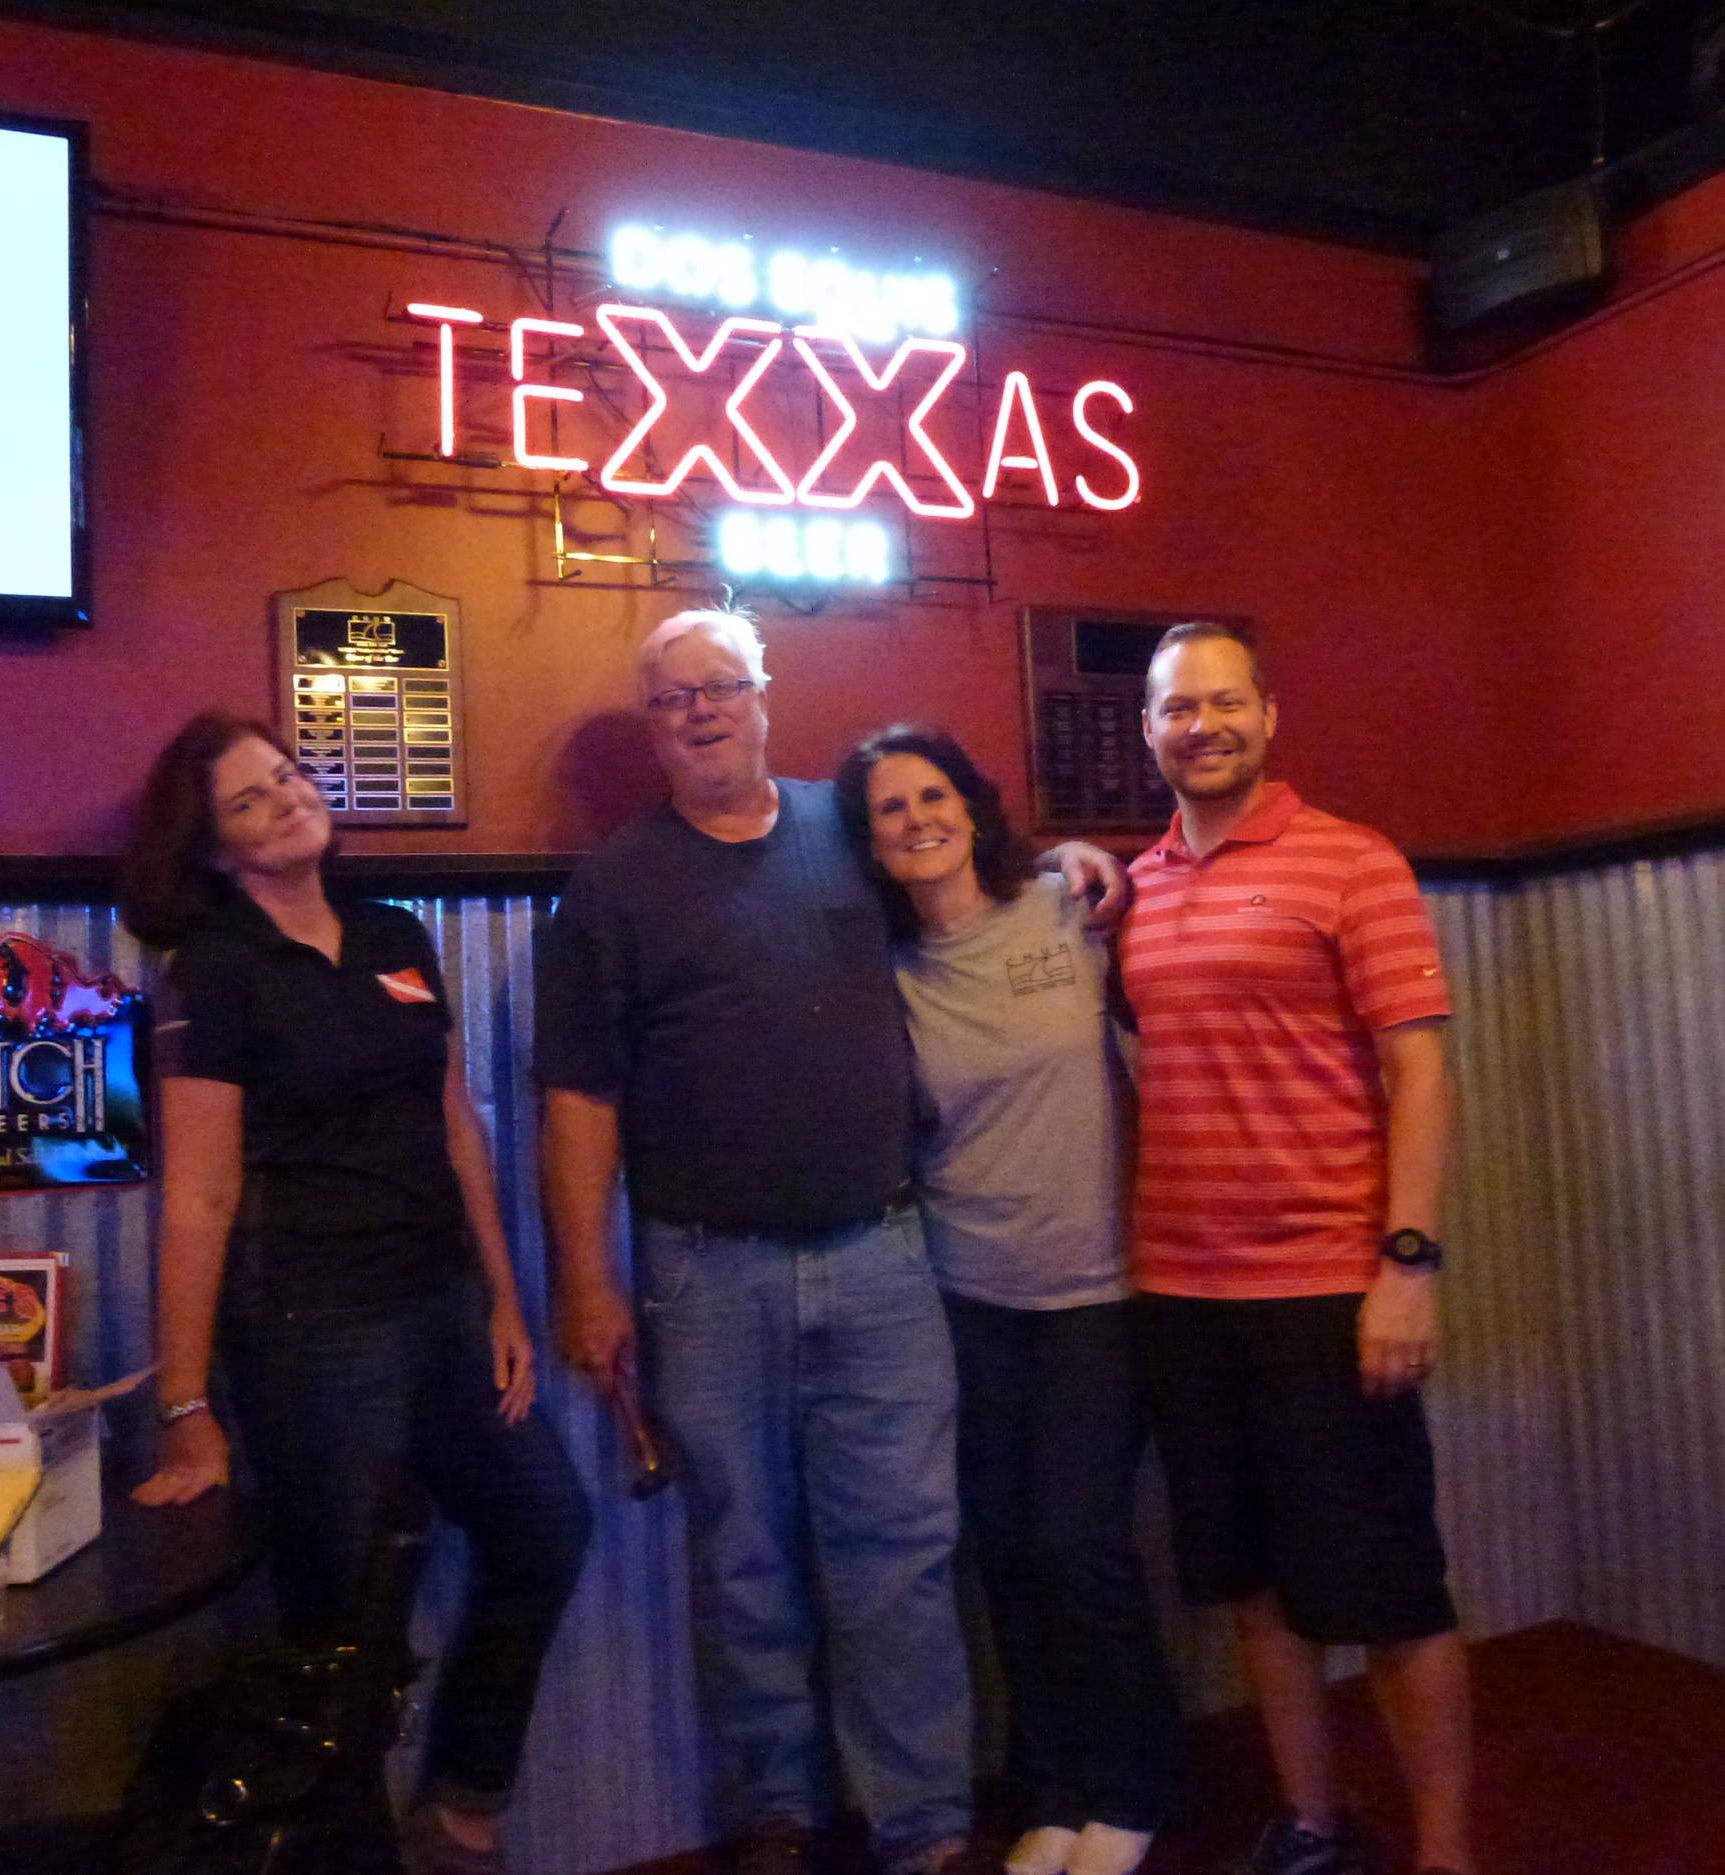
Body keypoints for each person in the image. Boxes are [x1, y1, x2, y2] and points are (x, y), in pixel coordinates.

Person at [536, 609, 1123, 1875]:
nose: (699, 711)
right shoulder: (613, 887)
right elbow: (577, 1098)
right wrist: (589, 1282)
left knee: (901, 1558)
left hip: (884, 1258)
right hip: (702, 1272)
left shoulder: (846, 836)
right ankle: (777, 1816)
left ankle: (922, 1828)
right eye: (671, 697)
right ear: (653, 725)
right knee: (743, 1563)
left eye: (720, 687)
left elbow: (964, 876)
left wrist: (1070, 858)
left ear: (762, 693)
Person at [121, 710, 592, 1875]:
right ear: (214, 848)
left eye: (288, 776)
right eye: (250, 800)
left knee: (547, 1529)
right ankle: (350, 1856)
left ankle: (463, 1809)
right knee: (337, 1625)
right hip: (310, 1331)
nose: (287, 800)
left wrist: (502, 1298)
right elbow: (198, 1197)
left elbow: (454, 1121)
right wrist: (187, 1407)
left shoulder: (393, 933)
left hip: (441, 1305)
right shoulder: (213, 974)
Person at [1117, 623, 1477, 1875]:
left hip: (1328, 1290)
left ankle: (1442, 1850)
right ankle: (1313, 1827)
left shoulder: (1351, 862)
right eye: (1175, 709)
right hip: (1175, 1293)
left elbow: (1419, 1070)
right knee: (1256, 1589)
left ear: (1268, 717)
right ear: (1148, 728)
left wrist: (1408, 1265)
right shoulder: (1137, 883)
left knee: (1386, 1591)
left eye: (1222, 704)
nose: (1199, 726)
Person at [833, 725, 1181, 1875]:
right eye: (888, 808)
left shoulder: (1060, 908)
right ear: (868, 842)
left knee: (1079, 1545)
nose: (916, 819)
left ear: (972, 808)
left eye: (933, 794)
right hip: (961, 1297)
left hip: (1097, 1292)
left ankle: (1129, 1787)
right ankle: (1054, 1789)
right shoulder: (879, 973)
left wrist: (1086, 852)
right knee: (1005, 1550)